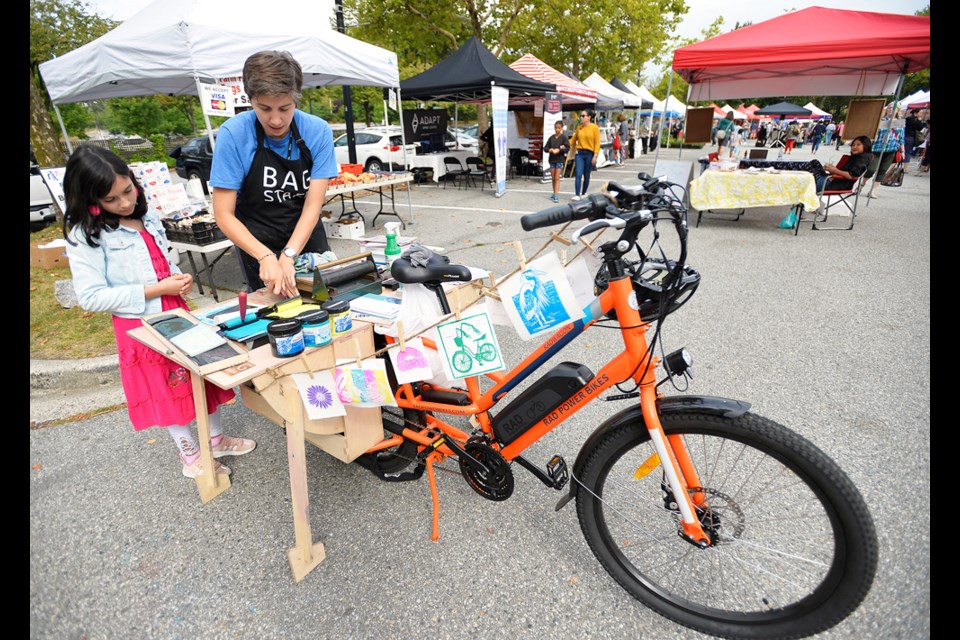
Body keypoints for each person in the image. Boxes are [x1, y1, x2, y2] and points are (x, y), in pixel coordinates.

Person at [62, 145, 253, 479]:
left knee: (201, 376)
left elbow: (162, 259)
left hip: (174, 310)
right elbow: (91, 297)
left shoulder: (145, 215)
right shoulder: (86, 234)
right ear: (90, 199)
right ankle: (191, 456)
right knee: (166, 389)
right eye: (112, 199)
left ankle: (216, 440)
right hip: (139, 324)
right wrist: (155, 290)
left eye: (128, 191)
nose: (125, 203)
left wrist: (176, 278)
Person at [210, 50, 339, 298]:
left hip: (306, 236)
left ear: (296, 100)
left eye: (285, 108)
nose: (276, 120)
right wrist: (265, 255)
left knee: (322, 302)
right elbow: (223, 213)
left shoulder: (317, 131)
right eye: (265, 108)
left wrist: (290, 254)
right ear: (250, 100)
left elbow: (313, 205)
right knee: (274, 311)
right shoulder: (234, 134)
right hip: (256, 240)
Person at [865, 121, 905, 199]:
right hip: (877, 149)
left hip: (891, 150)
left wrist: (903, 151)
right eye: (889, 108)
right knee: (871, 169)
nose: (890, 109)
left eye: (892, 108)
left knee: (883, 170)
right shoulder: (881, 120)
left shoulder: (899, 123)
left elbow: (901, 138)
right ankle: (862, 184)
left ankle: (873, 190)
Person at [568, 110, 600, 201]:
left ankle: (584, 192)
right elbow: (573, 140)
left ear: (589, 117)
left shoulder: (595, 128)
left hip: (589, 153)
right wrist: (565, 144)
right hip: (580, 153)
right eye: (580, 116)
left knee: (586, 175)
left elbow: (597, 143)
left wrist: (595, 156)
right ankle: (577, 194)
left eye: (583, 116)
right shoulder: (579, 128)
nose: (581, 117)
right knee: (578, 174)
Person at [543, 120, 570, 202]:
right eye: (556, 128)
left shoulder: (564, 138)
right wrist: (550, 150)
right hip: (552, 159)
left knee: (557, 177)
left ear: (561, 128)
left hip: (559, 159)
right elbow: (545, 148)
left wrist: (559, 150)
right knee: (553, 177)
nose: (557, 129)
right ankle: (554, 192)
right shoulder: (551, 138)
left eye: (558, 128)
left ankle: (556, 194)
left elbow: (568, 148)